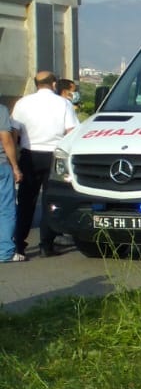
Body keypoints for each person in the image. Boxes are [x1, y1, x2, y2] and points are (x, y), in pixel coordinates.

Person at [11, 71, 77, 257]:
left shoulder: (22, 103)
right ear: (54, 84)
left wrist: (14, 160)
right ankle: (46, 245)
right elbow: (71, 131)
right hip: (54, 156)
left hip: (29, 156)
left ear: (35, 84)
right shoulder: (64, 103)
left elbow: (14, 132)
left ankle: (19, 245)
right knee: (51, 200)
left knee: (25, 201)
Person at [0, 100, 23, 262]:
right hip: (1, 165)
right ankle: (5, 252)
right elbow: (6, 138)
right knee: (6, 209)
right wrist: (15, 166)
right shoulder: (1, 110)